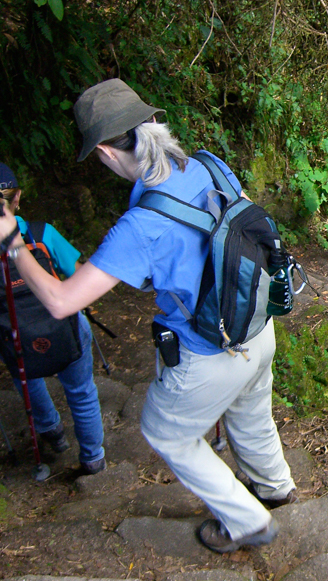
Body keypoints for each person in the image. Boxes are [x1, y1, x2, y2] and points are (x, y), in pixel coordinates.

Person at [0, 79, 295, 553]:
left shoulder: (140, 226)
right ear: (154, 123)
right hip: (256, 326)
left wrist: (14, 244)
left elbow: (59, 301)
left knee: (165, 433)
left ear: (105, 152)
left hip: (209, 352)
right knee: (251, 410)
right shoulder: (209, 166)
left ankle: (247, 521)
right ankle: (275, 485)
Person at [0, 163, 106, 475]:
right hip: (65, 327)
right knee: (82, 391)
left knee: (27, 379)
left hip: (15, 335)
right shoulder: (41, 233)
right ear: (17, 197)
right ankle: (93, 458)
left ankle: (52, 433)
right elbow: (76, 276)